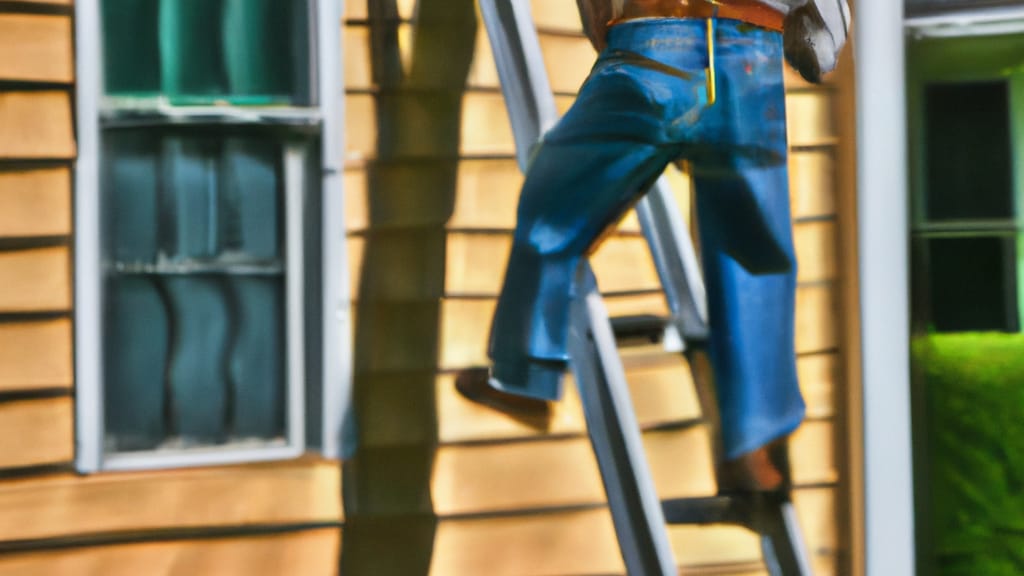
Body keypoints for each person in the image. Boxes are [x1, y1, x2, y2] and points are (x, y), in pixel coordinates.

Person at [457, 0, 850, 492]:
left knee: (554, 206)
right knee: (753, 253)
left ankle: (525, 374)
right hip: (750, 54)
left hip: (656, 42)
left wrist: (599, 19)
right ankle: (755, 451)